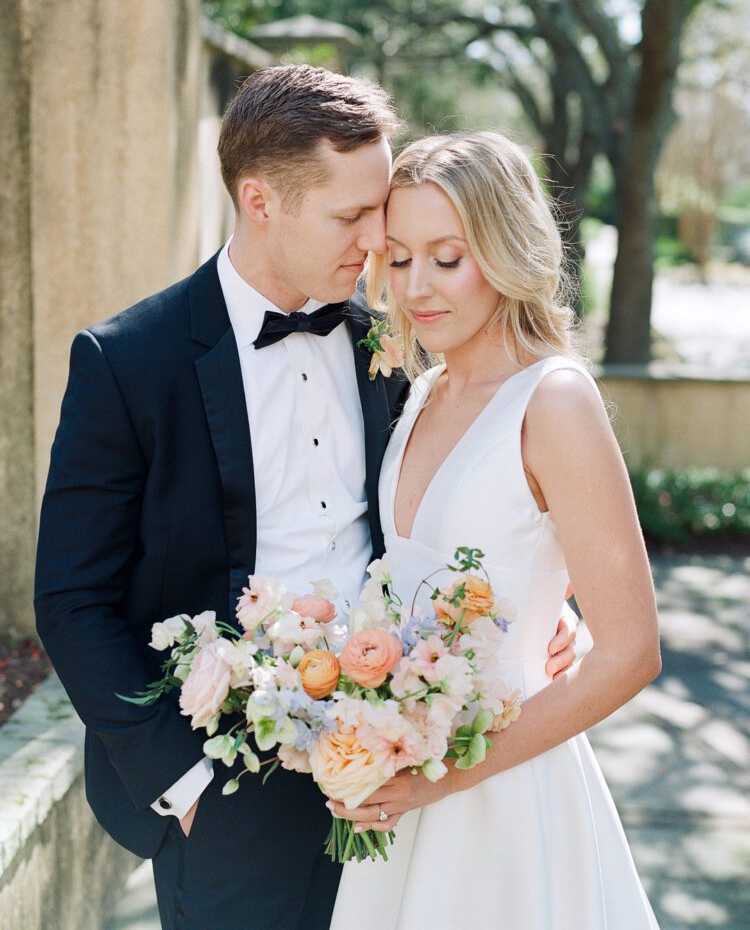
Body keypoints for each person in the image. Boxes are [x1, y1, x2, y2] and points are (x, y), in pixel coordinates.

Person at [34, 68, 578, 930]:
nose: (378, 244)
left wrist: (543, 610)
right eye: (352, 217)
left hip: (404, 772)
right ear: (262, 202)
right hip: (229, 793)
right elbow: (70, 599)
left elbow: (466, 503)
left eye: (382, 212)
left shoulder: (394, 345)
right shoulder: (128, 361)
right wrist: (187, 788)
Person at [329, 131, 662, 929]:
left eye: (448, 257)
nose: (417, 286)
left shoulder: (554, 401)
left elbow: (631, 651)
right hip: (403, 796)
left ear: (505, 249)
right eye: (399, 258)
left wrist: (442, 779)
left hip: (507, 801)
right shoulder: (420, 394)